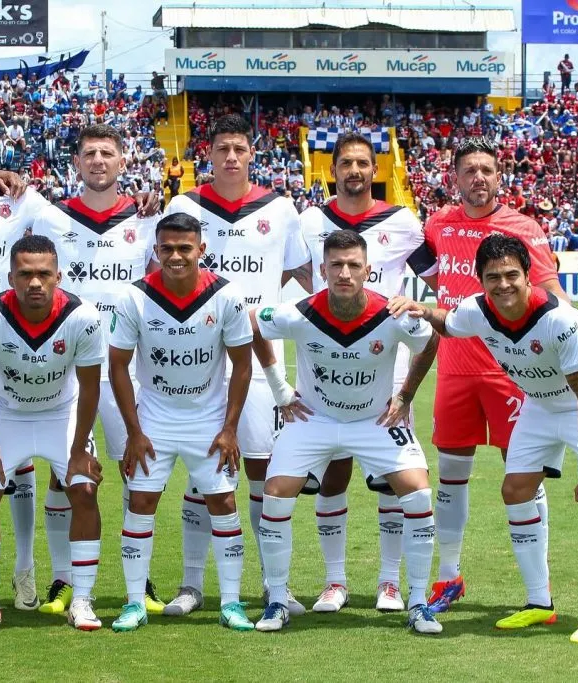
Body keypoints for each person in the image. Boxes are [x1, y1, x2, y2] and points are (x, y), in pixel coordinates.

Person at [0, 117, 158, 612]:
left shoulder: (36, 204)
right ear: (75, 163)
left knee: (109, 467)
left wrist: (0, 175)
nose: (98, 163)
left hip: (86, 355)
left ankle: (45, 571)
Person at [391, 233, 578, 644]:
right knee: (515, 490)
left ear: (528, 275)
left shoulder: (559, 319)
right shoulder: (477, 311)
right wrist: (423, 310)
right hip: (540, 404)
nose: (503, 285)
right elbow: (449, 323)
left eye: (511, 275)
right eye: (493, 277)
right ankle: (539, 605)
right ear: (480, 280)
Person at [250, 229, 443, 635]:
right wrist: (281, 390)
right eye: (336, 265)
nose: (344, 272)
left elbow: (429, 342)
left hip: (374, 421)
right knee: (275, 493)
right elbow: (255, 323)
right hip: (314, 420)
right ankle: (277, 600)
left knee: (420, 492)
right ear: (322, 270)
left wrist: (405, 395)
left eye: (353, 265)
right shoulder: (299, 312)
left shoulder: (391, 315)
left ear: (368, 270)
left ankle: (420, 603)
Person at [162, 114, 311, 618]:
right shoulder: (184, 205)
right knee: (201, 469)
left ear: (252, 154)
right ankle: (191, 584)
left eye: (239, 148)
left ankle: (275, 585)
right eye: (222, 148)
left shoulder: (280, 208)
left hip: (261, 356)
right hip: (199, 356)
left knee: (263, 467)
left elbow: (296, 270)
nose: (230, 156)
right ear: (209, 154)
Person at [419, 136, 568, 615]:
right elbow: (428, 270)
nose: (478, 178)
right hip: (456, 368)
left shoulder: (523, 228)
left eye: (486, 169)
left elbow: (549, 289)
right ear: (455, 177)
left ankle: (538, 592)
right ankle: (448, 576)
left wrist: (572, 322)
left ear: (498, 176)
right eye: (469, 170)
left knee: (524, 478)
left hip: (513, 373)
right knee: (450, 476)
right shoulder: (438, 223)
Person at [297, 132, 435, 613]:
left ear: (375, 170)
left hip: (388, 370)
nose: (354, 170)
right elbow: (296, 274)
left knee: (392, 479)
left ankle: (390, 582)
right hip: (324, 368)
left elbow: (438, 277)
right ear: (330, 169)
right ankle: (334, 582)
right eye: (345, 163)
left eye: (362, 163)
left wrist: (422, 307)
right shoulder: (310, 220)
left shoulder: (402, 221)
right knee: (333, 474)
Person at [31, 124, 162, 616]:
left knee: (137, 471)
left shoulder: (148, 217)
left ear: (123, 161)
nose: (99, 161)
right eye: (90, 153)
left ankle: (139, 579)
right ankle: (63, 580)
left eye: (108, 153)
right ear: (77, 162)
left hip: (129, 368)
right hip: (69, 367)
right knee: (65, 477)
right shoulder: (53, 218)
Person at [108, 212, 254, 632]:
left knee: (224, 504)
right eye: (167, 248)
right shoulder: (133, 297)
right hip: (154, 419)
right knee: (140, 503)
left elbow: (242, 366)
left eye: (184, 248)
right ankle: (135, 603)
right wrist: (134, 432)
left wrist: (229, 428)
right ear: (155, 251)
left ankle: (231, 603)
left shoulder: (226, 296)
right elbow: (118, 366)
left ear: (201, 250)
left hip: (208, 420)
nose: (175, 256)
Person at [0, 235, 105, 631]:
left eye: (44, 274)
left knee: (84, 489)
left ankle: (83, 600)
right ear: (11, 277)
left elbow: (91, 387)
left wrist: (79, 451)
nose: (35, 283)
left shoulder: (82, 317)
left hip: (62, 413)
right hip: (7, 414)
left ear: (59, 275)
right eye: (25, 274)